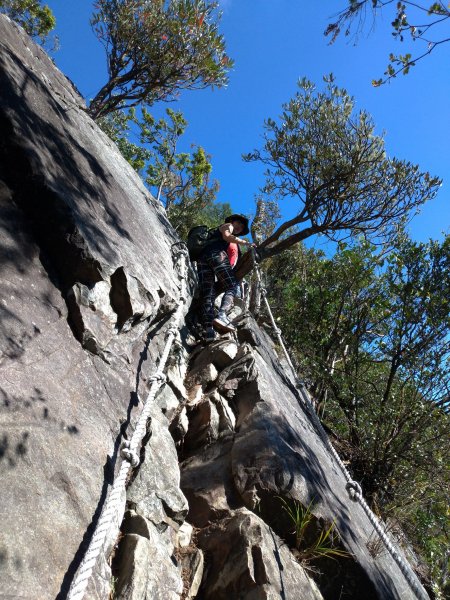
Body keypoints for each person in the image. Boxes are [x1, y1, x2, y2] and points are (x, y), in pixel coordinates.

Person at [196, 214, 254, 341]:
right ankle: (221, 315)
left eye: (242, 226)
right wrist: (245, 243)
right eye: (238, 223)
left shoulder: (219, 231)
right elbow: (227, 236)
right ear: (232, 221)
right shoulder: (227, 226)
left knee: (208, 293)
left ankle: (208, 330)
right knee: (232, 285)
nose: (239, 227)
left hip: (202, 260)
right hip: (216, 255)